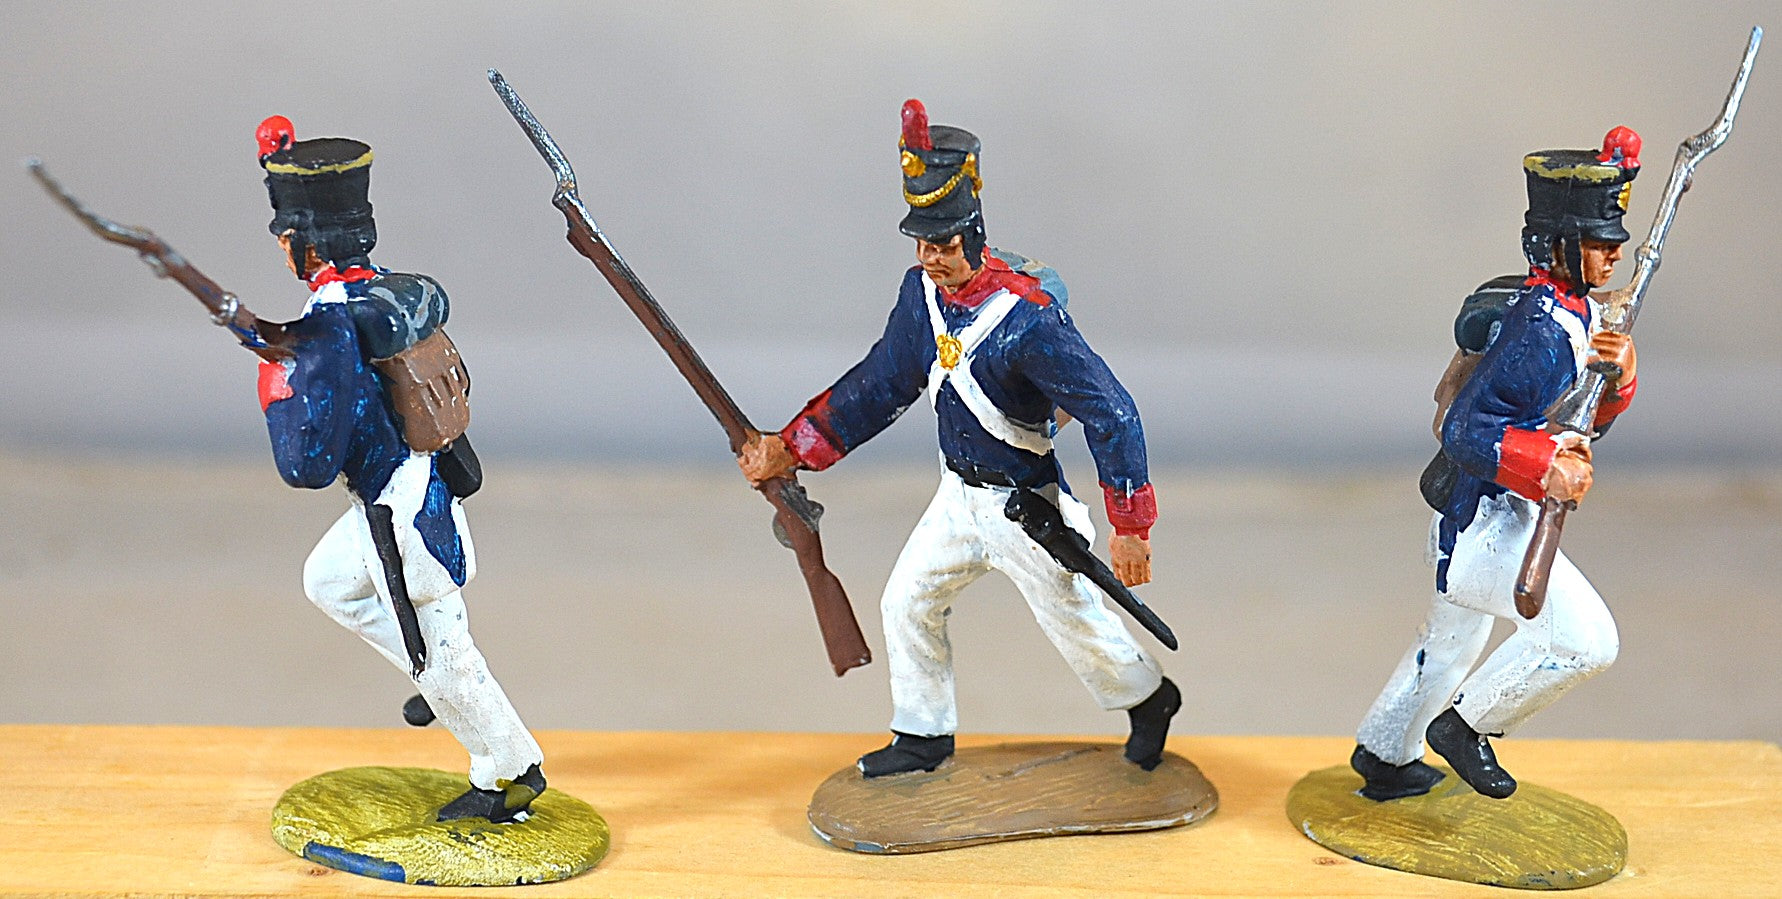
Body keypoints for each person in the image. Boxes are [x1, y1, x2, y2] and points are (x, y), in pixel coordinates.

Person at [738, 99, 1179, 777]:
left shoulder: (1029, 318)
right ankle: (923, 735)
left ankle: (1148, 699)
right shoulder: (920, 296)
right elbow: (880, 385)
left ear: (972, 236)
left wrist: (1130, 526)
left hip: (1024, 506)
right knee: (907, 600)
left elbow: (1112, 413)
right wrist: (790, 447)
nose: (931, 258)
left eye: (943, 245)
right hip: (957, 496)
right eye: (923, 245)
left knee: (1072, 616)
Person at [254, 116, 546, 822]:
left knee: (448, 650)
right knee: (328, 583)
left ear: (304, 242)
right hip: (421, 480)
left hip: (397, 511)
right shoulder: (386, 292)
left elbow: (310, 464)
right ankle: (438, 683)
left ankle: (508, 770)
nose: (283, 249)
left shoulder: (330, 322)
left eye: (287, 237)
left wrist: (278, 387)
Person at [1352, 127, 1642, 801]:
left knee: (1449, 644)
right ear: (1561, 245)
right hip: (1480, 522)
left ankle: (1384, 752)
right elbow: (1465, 429)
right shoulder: (1540, 332)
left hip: (1494, 508)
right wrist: (1548, 465)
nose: (1614, 253)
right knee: (1586, 641)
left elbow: (1585, 415)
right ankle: (1465, 727)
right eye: (1599, 240)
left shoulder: (1573, 315)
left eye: (1615, 240)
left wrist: (1620, 377)